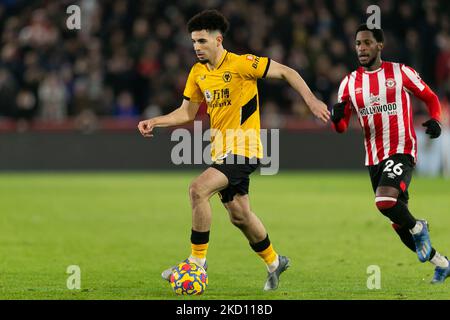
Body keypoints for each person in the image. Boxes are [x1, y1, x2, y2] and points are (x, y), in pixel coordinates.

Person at [138, 9, 330, 290]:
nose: (196, 47)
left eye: (202, 41)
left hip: (245, 148)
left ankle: (196, 263)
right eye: (193, 42)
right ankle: (275, 262)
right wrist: (156, 121)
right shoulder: (198, 73)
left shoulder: (242, 64)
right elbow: (186, 113)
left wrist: (311, 101)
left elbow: (287, 71)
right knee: (239, 215)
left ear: (218, 40)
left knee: (197, 189)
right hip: (220, 151)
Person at [331, 24, 449, 283]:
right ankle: (442, 263)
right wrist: (336, 117)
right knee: (397, 221)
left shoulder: (400, 72)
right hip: (374, 157)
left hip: (401, 149)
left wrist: (436, 120)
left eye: (367, 43)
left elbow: (430, 97)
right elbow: (340, 127)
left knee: (384, 201)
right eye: (358, 44)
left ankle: (420, 227)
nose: (361, 48)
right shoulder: (349, 83)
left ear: (379, 45)